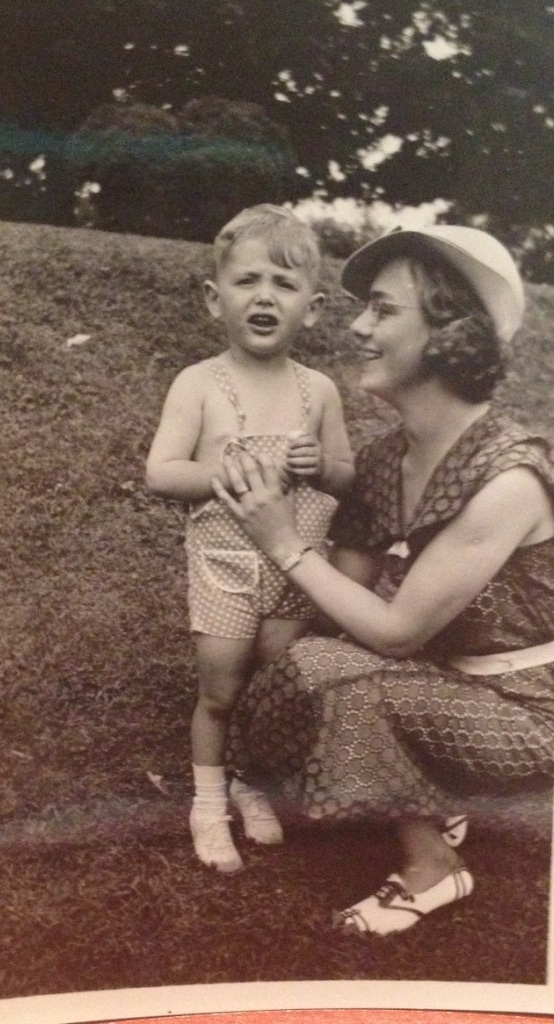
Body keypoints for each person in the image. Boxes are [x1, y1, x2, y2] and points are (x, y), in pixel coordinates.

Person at [213, 225, 554, 936]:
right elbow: (340, 599)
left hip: (530, 714)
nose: (357, 327)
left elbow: (397, 634)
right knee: (303, 660)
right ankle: (434, 790)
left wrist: (282, 540)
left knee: (340, 676)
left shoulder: (509, 477)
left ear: (447, 333)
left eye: (380, 310)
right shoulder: (384, 460)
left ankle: (433, 867)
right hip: (443, 683)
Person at [146, 204, 355, 874]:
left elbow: (346, 473)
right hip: (226, 564)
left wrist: (317, 466)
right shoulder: (199, 385)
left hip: (296, 566)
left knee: (273, 687)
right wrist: (220, 471)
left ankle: (250, 781)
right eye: (247, 281)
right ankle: (208, 803)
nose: (264, 296)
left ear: (312, 308)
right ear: (216, 298)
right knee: (221, 689)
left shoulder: (317, 391)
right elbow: (160, 472)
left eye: (284, 285)